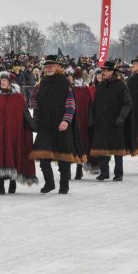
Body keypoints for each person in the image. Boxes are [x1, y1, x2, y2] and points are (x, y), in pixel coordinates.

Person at [30, 55, 83, 194]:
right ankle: (49, 183)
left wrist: (66, 120)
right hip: (45, 125)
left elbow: (71, 104)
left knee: (63, 158)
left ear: (58, 67)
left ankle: (64, 185)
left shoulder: (65, 83)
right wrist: (36, 119)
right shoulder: (42, 83)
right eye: (47, 66)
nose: (48, 68)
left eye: (51, 66)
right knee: (43, 156)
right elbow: (35, 103)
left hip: (61, 125)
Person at [90, 61, 138, 181]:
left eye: (106, 70)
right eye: (103, 70)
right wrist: (93, 118)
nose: (103, 72)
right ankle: (104, 172)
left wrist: (121, 117)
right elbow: (95, 104)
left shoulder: (120, 85)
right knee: (101, 148)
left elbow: (128, 103)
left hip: (116, 122)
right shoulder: (100, 85)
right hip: (101, 122)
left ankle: (118, 173)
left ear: (112, 72)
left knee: (117, 149)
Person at [70, 68, 95, 179]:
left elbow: (91, 106)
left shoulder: (77, 89)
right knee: (79, 144)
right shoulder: (84, 89)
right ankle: (76, 169)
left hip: (79, 122)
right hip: (77, 121)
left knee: (78, 145)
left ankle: (78, 169)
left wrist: (90, 121)